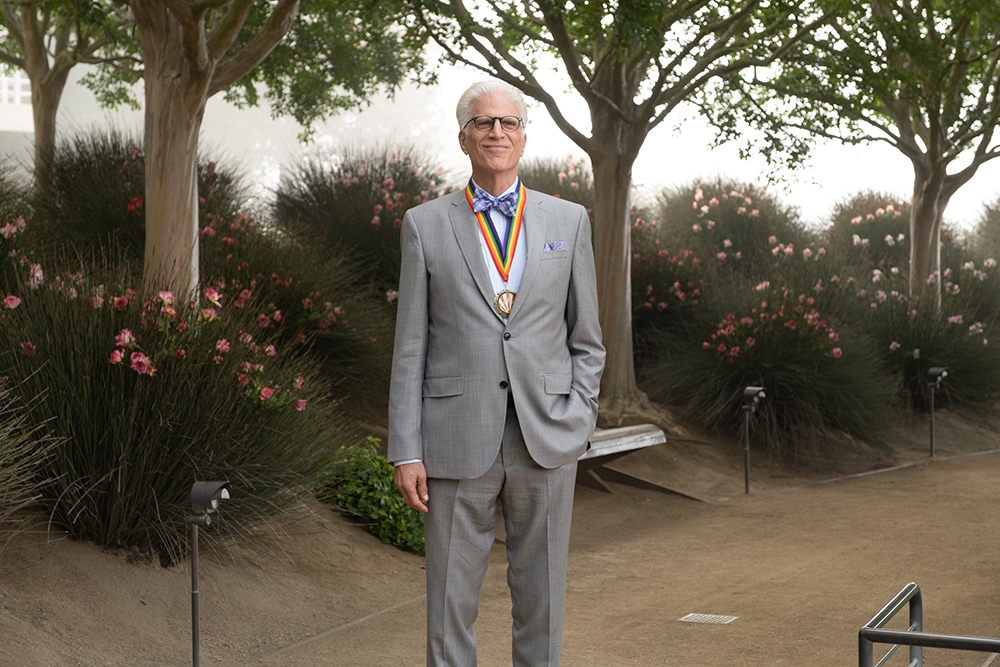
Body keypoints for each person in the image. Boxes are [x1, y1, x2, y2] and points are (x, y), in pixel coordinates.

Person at [388, 79, 605, 667]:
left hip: (547, 436)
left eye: (509, 122)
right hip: (454, 438)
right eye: (483, 123)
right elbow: (410, 347)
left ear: (524, 137)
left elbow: (587, 339)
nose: (497, 132)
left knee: (543, 598)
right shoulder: (424, 224)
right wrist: (406, 449)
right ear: (464, 138)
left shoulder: (570, 220)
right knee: (449, 604)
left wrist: (580, 418)